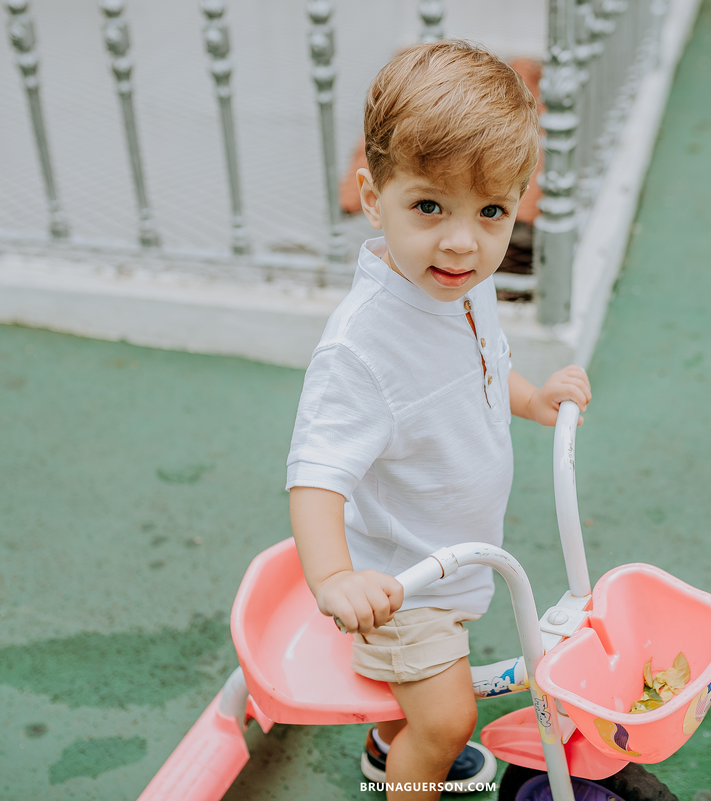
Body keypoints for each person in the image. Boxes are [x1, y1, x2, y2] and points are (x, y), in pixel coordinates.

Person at [286, 40, 592, 801]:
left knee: (437, 693)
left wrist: (530, 399)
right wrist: (336, 579)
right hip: (398, 585)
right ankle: (409, 774)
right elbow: (316, 476)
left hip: (449, 557)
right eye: (429, 206)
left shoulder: (456, 282)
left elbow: (484, 365)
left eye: (490, 211)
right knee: (450, 717)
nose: (462, 240)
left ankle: (386, 740)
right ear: (372, 193)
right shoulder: (362, 346)